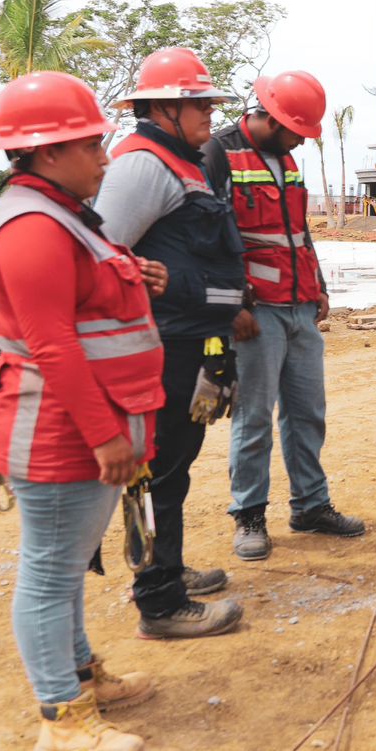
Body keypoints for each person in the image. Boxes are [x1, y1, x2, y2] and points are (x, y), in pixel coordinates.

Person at [0, 72, 168, 751]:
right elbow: (52, 344)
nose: (106, 157)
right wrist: (105, 436)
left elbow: (88, 305)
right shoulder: (32, 225)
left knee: (63, 569)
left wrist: (140, 278)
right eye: (93, 145)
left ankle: (84, 678)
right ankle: (62, 719)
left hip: (81, 425)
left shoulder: (61, 212)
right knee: (51, 573)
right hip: (60, 431)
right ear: (50, 151)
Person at [93, 48, 246, 640]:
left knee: (174, 468)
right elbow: (103, 255)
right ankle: (159, 601)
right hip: (165, 346)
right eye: (197, 103)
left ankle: (169, 570)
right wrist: (166, 284)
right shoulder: (141, 166)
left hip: (197, 342)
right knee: (155, 473)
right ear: (162, 108)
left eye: (208, 101)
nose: (210, 112)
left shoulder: (183, 162)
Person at [204, 71, 363, 560]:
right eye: (296, 129)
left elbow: (298, 232)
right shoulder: (218, 155)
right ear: (269, 118)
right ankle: (249, 515)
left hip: (298, 306)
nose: (300, 139)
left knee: (307, 413)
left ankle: (310, 506)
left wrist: (317, 287)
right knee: (254, 419)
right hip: (255, 313)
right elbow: (205, 237)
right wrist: (229, 306)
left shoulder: (286, 159)